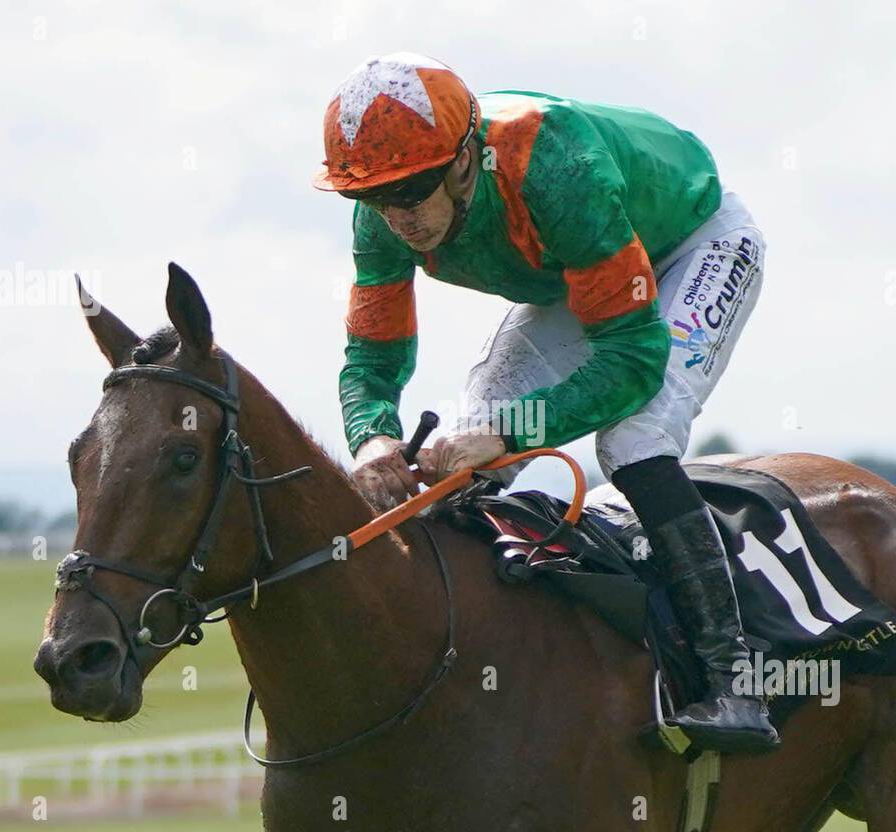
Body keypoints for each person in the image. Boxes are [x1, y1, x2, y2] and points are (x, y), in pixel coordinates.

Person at [313, 52, 777, 754]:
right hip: (581, 271)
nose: (396, 217)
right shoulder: (381, 216)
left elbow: (632, 358)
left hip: (693, 244)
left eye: (411, 191)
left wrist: (509, 434)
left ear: (466, 159)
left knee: (633, 439)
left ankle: (735, 677)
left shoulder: (551, 163)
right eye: (375, 197)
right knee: (463, 442)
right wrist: (372, 436)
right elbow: (373, 361)